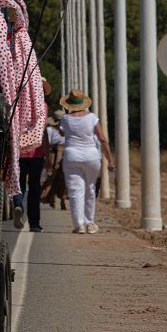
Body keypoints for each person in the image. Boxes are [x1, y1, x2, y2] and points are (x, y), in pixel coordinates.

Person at [59, 89, 113, 234]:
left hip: (72, 156)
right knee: (90, 188)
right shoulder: (92, 118)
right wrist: (110, 159)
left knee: (75, 191)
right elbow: (102, 139)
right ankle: (90, 222)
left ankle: (79, 225)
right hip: (91, 156)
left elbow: (62, 132)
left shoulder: (65, 119)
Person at [12, 78, 51, 232]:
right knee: (35, 188)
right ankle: (34, 224)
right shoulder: (44, 107)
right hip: (37, 152)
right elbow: (44, 132)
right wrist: (47, 155)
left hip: (19, 151)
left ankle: (18, 204)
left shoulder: (20, 105)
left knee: (19, 184)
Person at [42, 109, 66, 210]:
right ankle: (52, 198)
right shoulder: (50, 130)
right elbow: (49, 144)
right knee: (54, 176)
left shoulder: (64, 128)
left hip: (65, 152)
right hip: (56, 152)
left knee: (61, 178)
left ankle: (60, 199)